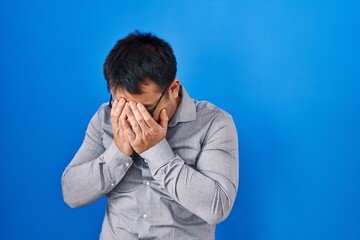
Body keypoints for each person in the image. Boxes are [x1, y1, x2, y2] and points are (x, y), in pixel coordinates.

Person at [61, 30, 239, 240]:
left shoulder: (214, 123)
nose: (133, 118)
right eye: (122, 105)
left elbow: (216, 207)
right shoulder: (105, 118)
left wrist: (156, 150)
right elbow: (71, 193)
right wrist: (118, 152)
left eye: (146, 108)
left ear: (173, 88)